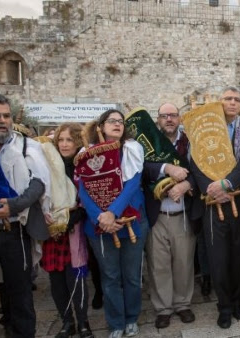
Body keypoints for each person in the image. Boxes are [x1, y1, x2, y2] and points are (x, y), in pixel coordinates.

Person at [0, 94, 51, 337]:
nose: (2, 121)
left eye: (6, 115)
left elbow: (39, 183)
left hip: (14, 232)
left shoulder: (27, 146)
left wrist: (14, 205)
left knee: (21, 296)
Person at [189, 86, 240, 329]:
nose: (232, 102)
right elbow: (195, 162)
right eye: (228, 98)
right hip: (213, 201)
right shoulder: (203, 127)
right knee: (218, 257)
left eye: (237, 99)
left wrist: (227, 184)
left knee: (239, 257)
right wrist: (212, 188)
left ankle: (238, 301)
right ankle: (224, 306)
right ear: (219, 102)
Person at [78, 109, 148, 338]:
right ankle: (116, 323)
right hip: (99, 224)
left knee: (131, 275)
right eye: (112, 121)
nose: (117, 124)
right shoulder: (86, 153)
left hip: (129, 220)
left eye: (120, 121)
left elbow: (133, 183)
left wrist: (114, 212)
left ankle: (131, 319)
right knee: (110, 277)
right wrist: (101, 216)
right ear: (101, 126)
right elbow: (83, 189)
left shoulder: (131, 149)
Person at [143, 103, 196, 328]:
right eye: (164, 116)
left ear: (179, 118)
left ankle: (183, 304)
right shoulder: (147, 143)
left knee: (184, 263)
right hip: (157, 215)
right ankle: (163, 308)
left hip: (183, 214)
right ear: (158, 119)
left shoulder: (190, 141)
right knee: (159, 264)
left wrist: (186, 185)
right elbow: (142, 168)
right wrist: (166, 168)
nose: (169, 119)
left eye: (173, 115)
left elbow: (203, 171)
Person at [41, 123, 94, 338]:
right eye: (60, 140)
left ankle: (83, 322)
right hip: (52, 229)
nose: (64, 144)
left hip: (74, 230)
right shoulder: (47, 166)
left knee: (76, 279)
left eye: (69, 140)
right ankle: (66, 322)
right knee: (57, 281)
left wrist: (72, 219)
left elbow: (88, 198)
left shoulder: (83, 165)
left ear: (78, 142)